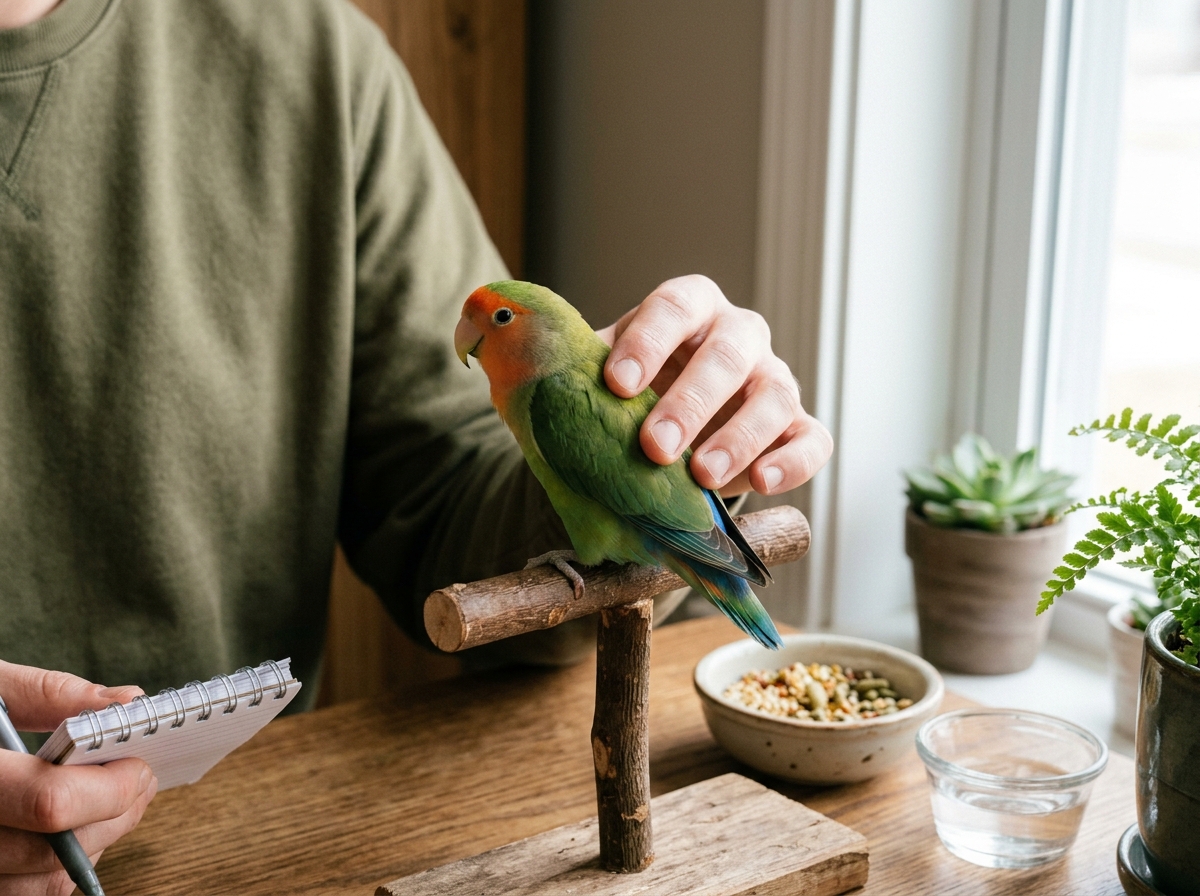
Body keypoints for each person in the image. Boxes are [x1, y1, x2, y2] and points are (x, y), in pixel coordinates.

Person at [0, 0, 832, 891]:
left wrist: (695, 436)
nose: (472, 334)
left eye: (496, 322)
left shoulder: (315, 57)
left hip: (251, 835)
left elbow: (448, 495)